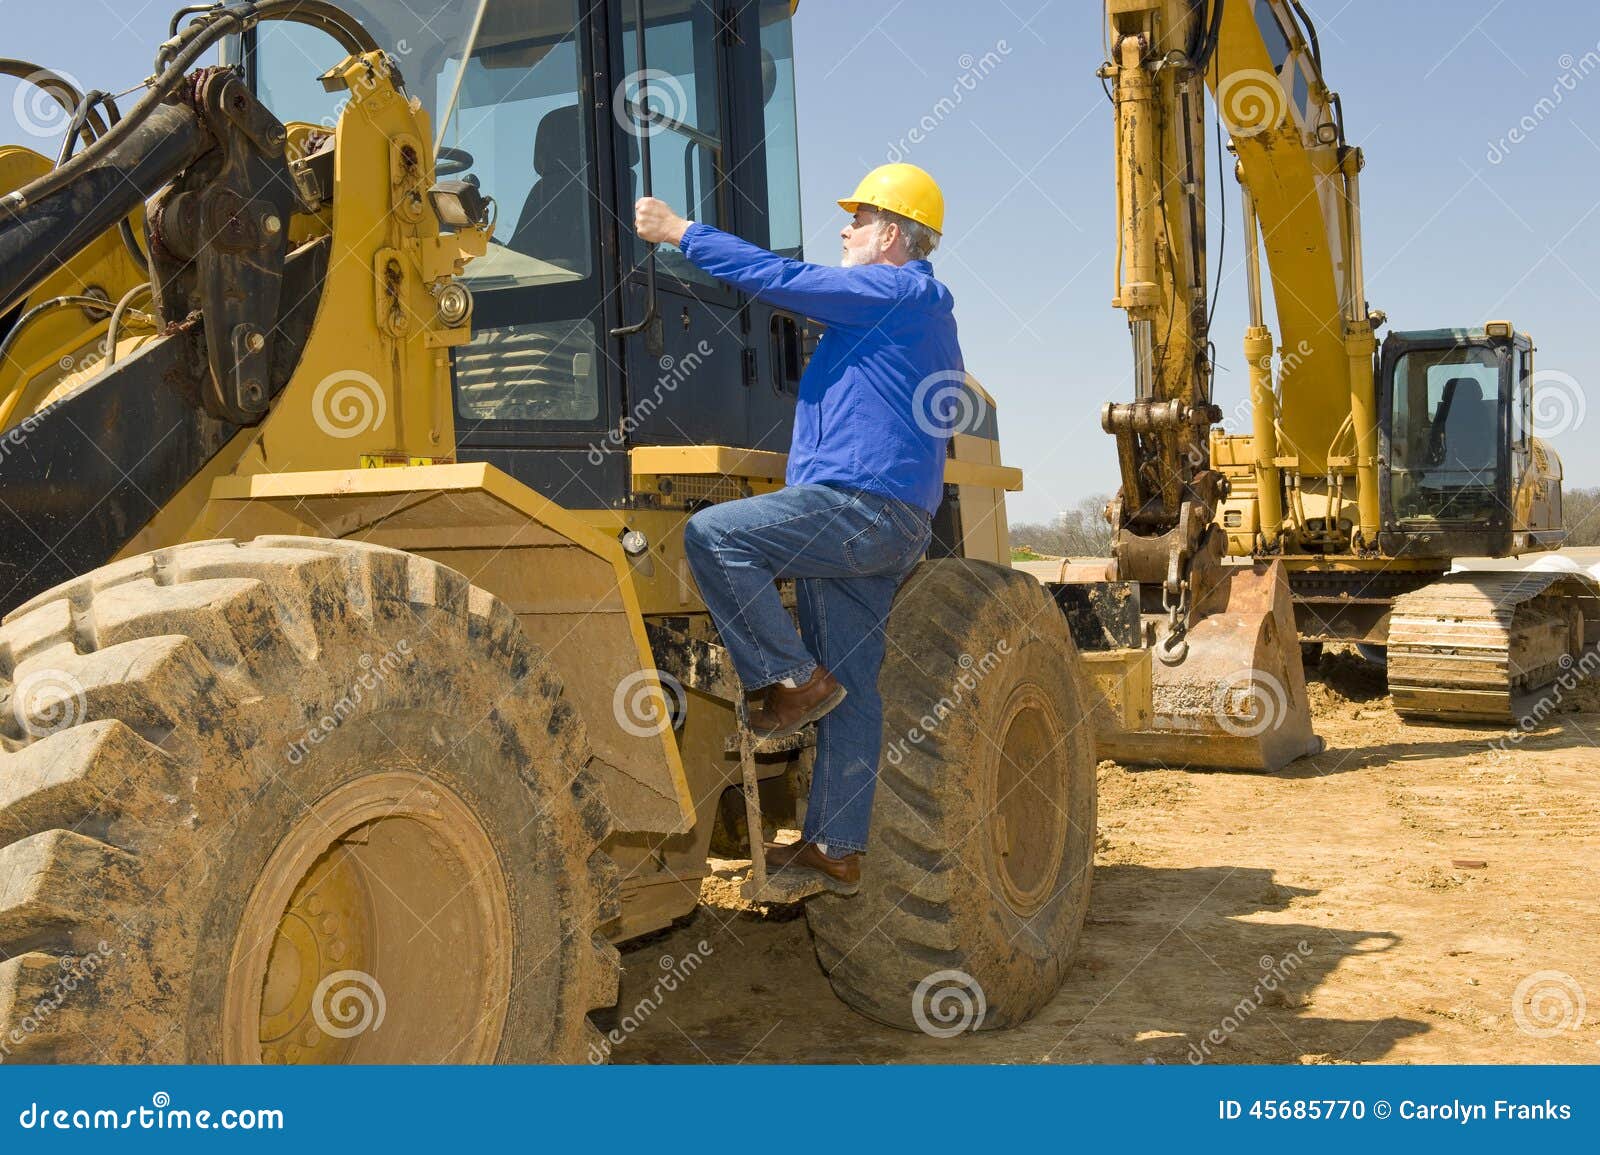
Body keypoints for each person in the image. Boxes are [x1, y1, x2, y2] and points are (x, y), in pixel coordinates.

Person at [634, 163, 964, 895]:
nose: (844, 228)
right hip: (892, 519)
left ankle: (788, 678)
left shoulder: (893, 290)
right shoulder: (913, 313)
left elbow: (780, 280)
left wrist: (680, 232)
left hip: (863, 507)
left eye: (859, 217)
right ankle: (835, 850)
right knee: (853, 686)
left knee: (716, 537)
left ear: (891, 236)